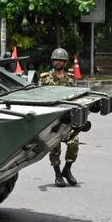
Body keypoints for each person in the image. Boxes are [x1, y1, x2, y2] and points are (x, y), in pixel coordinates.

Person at [40, 47, 79, 187]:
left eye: (60, 60)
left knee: (74, 144)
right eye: (55, 60)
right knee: (55, 148)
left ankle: (67, 170)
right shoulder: (45, 79)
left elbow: (76, 98)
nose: (58, 62)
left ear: (65, 62)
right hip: (52, 120)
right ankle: (57, 175)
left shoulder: (71, 79)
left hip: (67, 119)